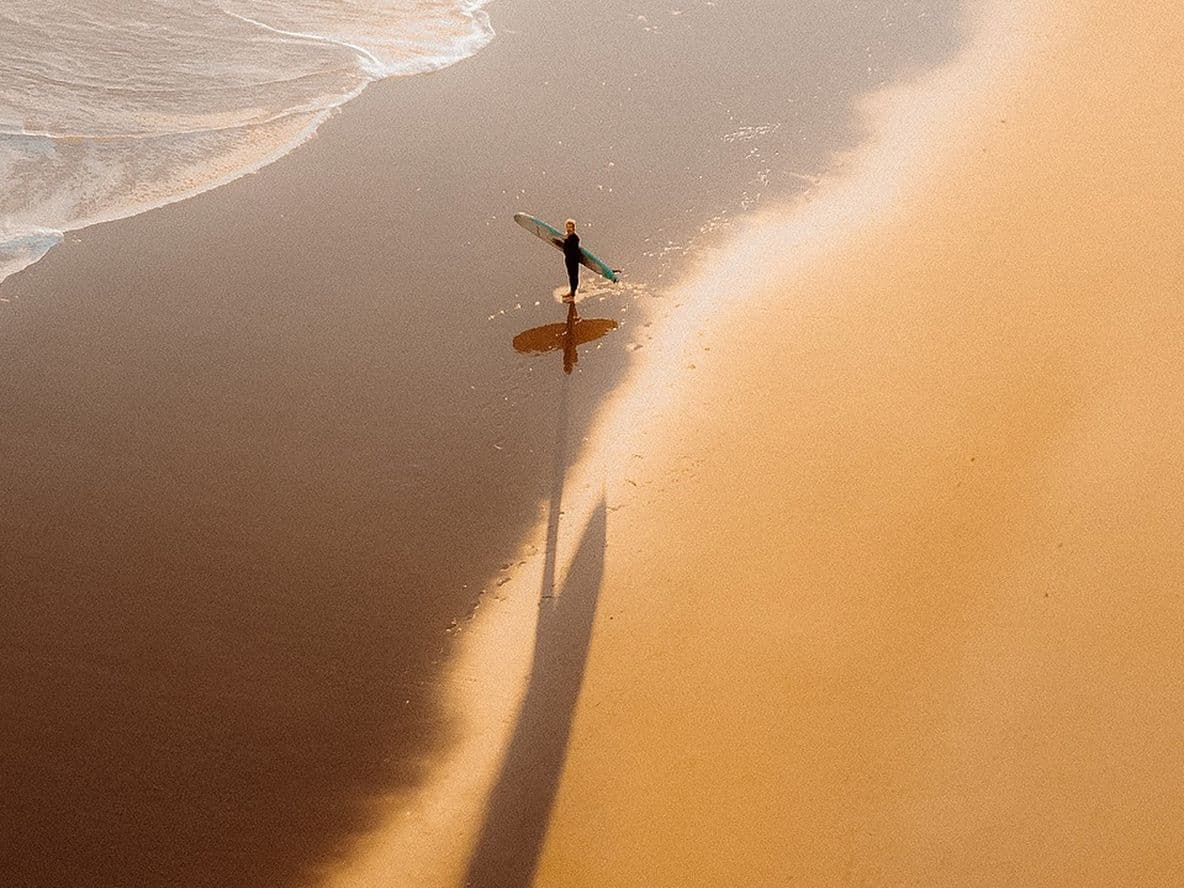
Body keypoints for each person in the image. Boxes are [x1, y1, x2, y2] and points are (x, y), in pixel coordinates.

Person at [562, 218, 581, 302]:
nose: (568, 228)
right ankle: (571, 292)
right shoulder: (567, 236)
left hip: (574, 260)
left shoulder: (575, 238)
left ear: (573, 228)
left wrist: (566, 240)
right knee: (570, 276)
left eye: (570, 227)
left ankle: (573, 295)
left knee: (574, 277)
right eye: (567, 227)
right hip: (568, 259)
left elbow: (572, 249)